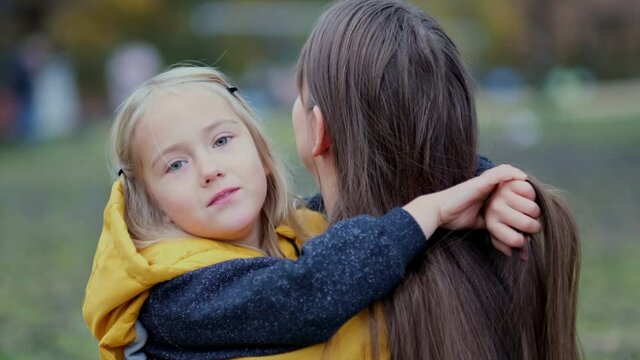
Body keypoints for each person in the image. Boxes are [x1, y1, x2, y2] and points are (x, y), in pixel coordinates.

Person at [82, 65, 537, 359]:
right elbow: (307, 295)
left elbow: (387, 199)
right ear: (151, 200)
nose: (209, 170)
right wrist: (429, 210)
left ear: (260, 152)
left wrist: (481, 187)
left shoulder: (301, 228)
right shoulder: (175, 298)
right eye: (175, 164)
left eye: (222, 140)